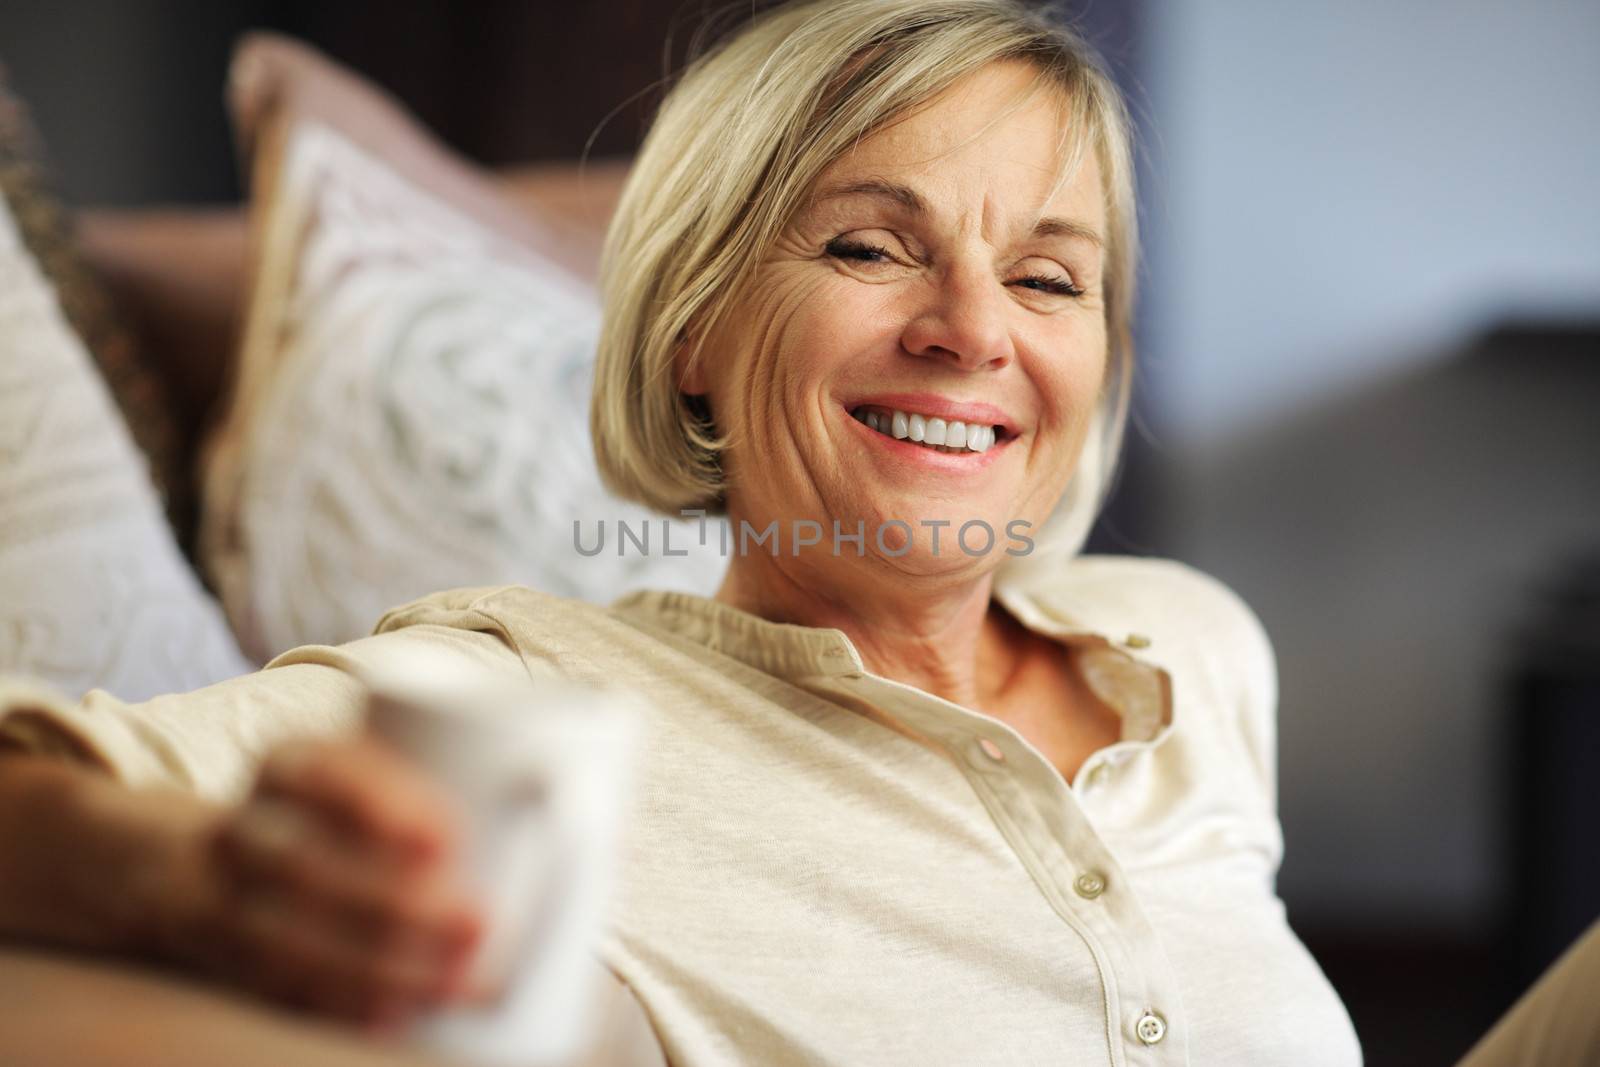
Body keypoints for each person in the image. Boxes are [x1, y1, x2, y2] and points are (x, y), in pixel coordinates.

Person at [0, 2, 1592, 1065]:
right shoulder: (519, 703)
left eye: (1049, 277)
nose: (974, 330)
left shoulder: (1188, 642)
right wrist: (191, 884)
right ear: (694, 325)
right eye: (869, 246)